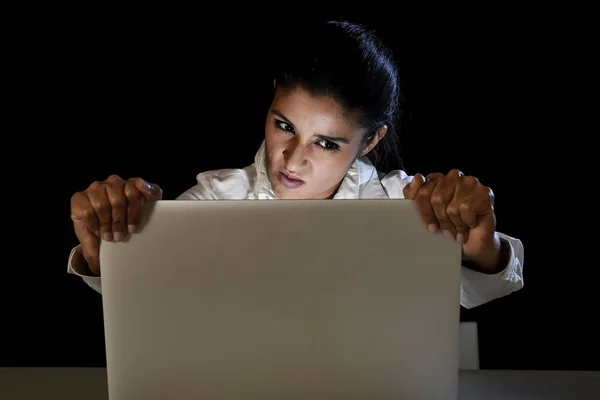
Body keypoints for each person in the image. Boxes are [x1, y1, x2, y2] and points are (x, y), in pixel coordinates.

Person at [68, 20, 524, 309]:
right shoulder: (212, 201)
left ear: (371, 141)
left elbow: (477, 289)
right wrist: (103, 249)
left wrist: (479, 246)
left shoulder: (403, 207)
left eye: (326, 143)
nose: (293, 157)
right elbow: (146, 302)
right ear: (269, 100)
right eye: (284, 125)